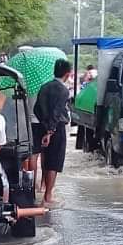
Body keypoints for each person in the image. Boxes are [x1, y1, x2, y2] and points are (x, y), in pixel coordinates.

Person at [34, 58, 72, 206]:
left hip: (41, 127)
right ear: (67, 74)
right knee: (54, 162)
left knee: (45, 158)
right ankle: (48, 196)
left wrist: (44, 124)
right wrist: (50, 131)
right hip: (56, 129)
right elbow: (56, 112)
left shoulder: (44, 87)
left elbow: (36, 109)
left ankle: (43, 188)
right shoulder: (63, 90)